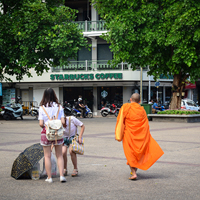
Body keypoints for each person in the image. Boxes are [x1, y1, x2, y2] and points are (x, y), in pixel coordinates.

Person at [115, 93, 164, 180]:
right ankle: (134, 168)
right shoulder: (142, 110)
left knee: (130, 154)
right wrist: (146, 135)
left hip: (128, 134)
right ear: (139, 101)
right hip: (140, 135)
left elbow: (120, 120)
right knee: (137, 154)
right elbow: (145, 124)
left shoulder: (126, 107)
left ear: (130, 99)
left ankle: (133, 173)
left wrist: (119, 133)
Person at [38, 88, 66, 183]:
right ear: (54, 95)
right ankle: (62, 176)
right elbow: (62, 121)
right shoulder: (59, 107)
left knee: (47, 156)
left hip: (46, 132)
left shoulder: (41, 108)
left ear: (44, 95)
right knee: (59, 155)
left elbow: (41, 123)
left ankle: (49, 177)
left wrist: (48, 123)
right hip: (57, 133)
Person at [62, 109, 85, 177]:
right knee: (63, 152)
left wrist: (80, 137)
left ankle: (75, 169)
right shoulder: (58, 122)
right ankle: (64, 169)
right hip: (64, 138)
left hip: (73, 137)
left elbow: (82, 126)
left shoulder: (72, 119)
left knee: (71, 151)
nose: (63, 124)